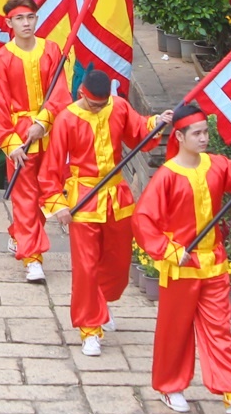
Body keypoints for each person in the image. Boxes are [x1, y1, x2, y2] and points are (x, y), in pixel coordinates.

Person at [134, 111, 231, 414]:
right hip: (181, 267)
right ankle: (170, 387)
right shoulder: (166, 176)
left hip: (214, 264)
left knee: (219, 327)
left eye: (206, 132)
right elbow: (143, 220)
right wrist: (169, 251)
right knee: (175, 330)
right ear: (179, 137)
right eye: (196, 133)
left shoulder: (217, 165)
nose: (204, 138)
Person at [45, 70, 174, 356]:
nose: (100, 109)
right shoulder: (66, 119)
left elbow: (139, 130)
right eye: (95, 105)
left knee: (118, 263)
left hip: (117, 197)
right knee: (86, 267)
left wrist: (157, 122)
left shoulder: (118, 106)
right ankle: (89, 327)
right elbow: (51, 168)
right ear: (82, 95)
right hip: (84, 200)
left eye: (103, 104)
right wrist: (59, 205)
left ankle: (100, 303)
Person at [0, 0, 69, 282]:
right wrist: (10, 144)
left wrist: (43, 121)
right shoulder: (1, 59)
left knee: (44, 194)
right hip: (18, 138)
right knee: (24, 196)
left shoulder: (52, 50)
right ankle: (33, 257)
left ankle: (18, 234)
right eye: (20, 18)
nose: (26, 23)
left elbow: (60, 92)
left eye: (30, 17)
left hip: (51, 133)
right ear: (9, 22)